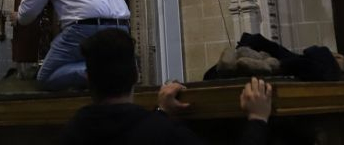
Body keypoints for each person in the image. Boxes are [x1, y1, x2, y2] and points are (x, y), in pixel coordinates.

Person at [58, 28, 271, 145]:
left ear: (87, 77)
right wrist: (257, 120)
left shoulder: (72, 132)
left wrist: (161, 112)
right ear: (136, 74)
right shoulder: (165, 134)